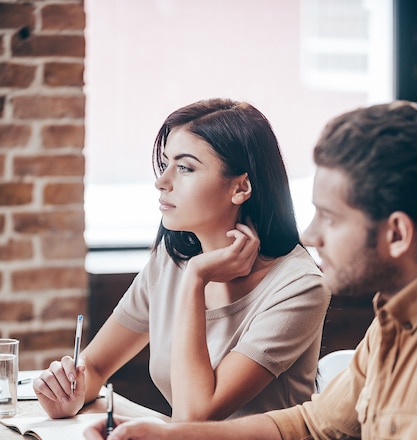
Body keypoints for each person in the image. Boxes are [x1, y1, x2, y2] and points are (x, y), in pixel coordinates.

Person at [84, 101, 417, 440]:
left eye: (332, 218)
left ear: (397, 234)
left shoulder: (299, 283)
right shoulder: (391, 326)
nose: (313, 234)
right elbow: (315, 430)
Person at [34, 99, 329, 422]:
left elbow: (195, 414)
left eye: (185, 167)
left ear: (240, 187)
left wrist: (197, 279)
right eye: (165, 164)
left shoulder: (300, 286)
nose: (162, 181)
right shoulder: (171, 259)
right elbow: (96, 366)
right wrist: (68, 393)